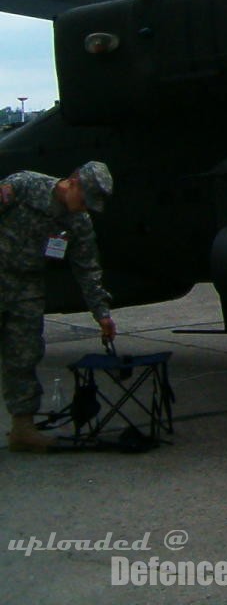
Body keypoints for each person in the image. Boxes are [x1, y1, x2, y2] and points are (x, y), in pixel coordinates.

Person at [0, 162, 115, 453]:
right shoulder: (25, 186)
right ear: (73, 182)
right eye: (85, 199)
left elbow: (88, 269)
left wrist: (102, 313)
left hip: (26, 287)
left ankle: (22, 429)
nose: (85, 208)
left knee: (24, 355)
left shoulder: (79, 222)